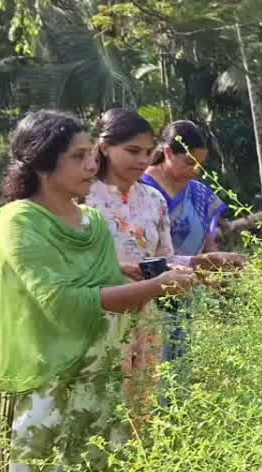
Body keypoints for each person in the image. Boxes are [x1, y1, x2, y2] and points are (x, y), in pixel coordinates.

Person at [0, 110, 196, 472]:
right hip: (43, 385)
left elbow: (110, 284)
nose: (90, 163)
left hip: (96, 382)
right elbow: (62, 303)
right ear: (40, 163)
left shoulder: (94, 225)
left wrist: (192, 271)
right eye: (77, 156)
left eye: (89, 153)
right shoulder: (19, 224)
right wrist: (159, 288)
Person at [83, 109, 204, 417]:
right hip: (98, 312)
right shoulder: (82, 198)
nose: (141, 160)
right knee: (102, 393)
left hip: (147, 314)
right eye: (132, 151)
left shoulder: (154, 200)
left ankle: (139, 456)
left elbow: (165, 259)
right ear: (105, 147)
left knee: (143, 393)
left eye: (148, 152)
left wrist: (202, 262)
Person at [141, 120, 246, 362]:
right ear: (167, 153)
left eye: (200, 164)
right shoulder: (140, 189)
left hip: (186, 290)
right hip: (144, 290)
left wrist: (217, 275)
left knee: (179, 359)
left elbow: (209, 243)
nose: (195, 170)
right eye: (189, 162)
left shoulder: (199, 193)